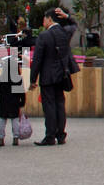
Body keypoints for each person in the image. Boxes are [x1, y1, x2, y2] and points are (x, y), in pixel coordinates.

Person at [29, 8, 76, 146]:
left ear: (49, 19)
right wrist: (67, 16)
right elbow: (74, 26)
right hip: (62, 73)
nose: (43, 22)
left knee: (49, 106)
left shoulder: (44, 36)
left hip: (48, 75)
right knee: (60, 104)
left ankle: (50, 135)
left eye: (44, 19)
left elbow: (37, 59)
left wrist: (33, 79)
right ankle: (61, 135)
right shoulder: (64, 33)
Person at [0, 42, 26, 146]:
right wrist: (22, 102)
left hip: (4, 102)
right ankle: (15, 137)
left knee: (2, 121)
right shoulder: (17, 79)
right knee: (15, 120)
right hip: (14, 102)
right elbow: (21, 92)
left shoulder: (2, 78)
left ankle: (0, 138)